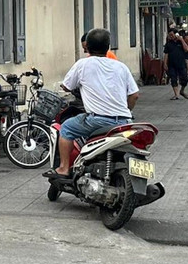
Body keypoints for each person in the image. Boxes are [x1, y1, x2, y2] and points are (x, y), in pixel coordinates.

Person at [46, 28, 140, 179]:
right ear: (108, 47)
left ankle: (63, 168)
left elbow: (66, 86)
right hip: (124, 121)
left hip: (97, 120)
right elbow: (134, 95)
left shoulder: (83, 64)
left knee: (67, 128)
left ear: (87, 47)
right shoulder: (121, 67)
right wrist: (126, 111)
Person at [164, 30, 188, 99]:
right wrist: (165, 63)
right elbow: (166, 54)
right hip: (171, 64)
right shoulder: (168, 44)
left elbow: (186, 49)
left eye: (172, 35)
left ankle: (182, 91)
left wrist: (181, 40)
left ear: (176, 34)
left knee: (185, 79)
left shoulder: (180, 42)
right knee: (173, 79)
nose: (171, 36)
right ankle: (176, 95)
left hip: (181, 63)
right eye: (169, 35)